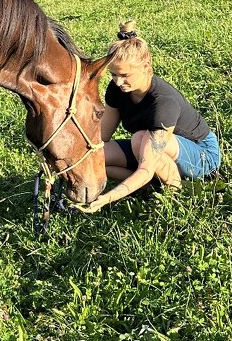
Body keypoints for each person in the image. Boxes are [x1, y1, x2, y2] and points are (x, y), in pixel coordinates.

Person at [77, 20, 220, 214]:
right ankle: (149, 186)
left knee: (139, 139)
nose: (118, 82)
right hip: (146, 147)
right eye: (113, 74)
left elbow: (145, 167)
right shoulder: (117, 89)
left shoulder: (163, 102)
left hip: (202, 155)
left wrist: (107, 198)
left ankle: (173, 192)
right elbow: (101, 137)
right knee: (93, 156)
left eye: (125, 75)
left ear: (146, 67)